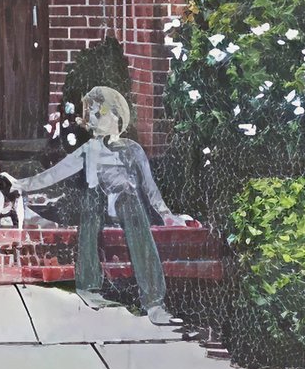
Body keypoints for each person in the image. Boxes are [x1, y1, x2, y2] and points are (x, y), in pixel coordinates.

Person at [14, 85, 189, 323]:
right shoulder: (90, 149)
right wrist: (21, 185)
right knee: (92, 195)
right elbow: (54, 174)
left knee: (130, 198)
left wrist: (167, 214)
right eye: (90, 115)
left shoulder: (132, 150)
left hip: (125, 209)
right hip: (96, 210)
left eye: (98, 114)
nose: (91, 121)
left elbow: (150, 189)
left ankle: (154, 302)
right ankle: (89, 286)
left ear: (115, 116)